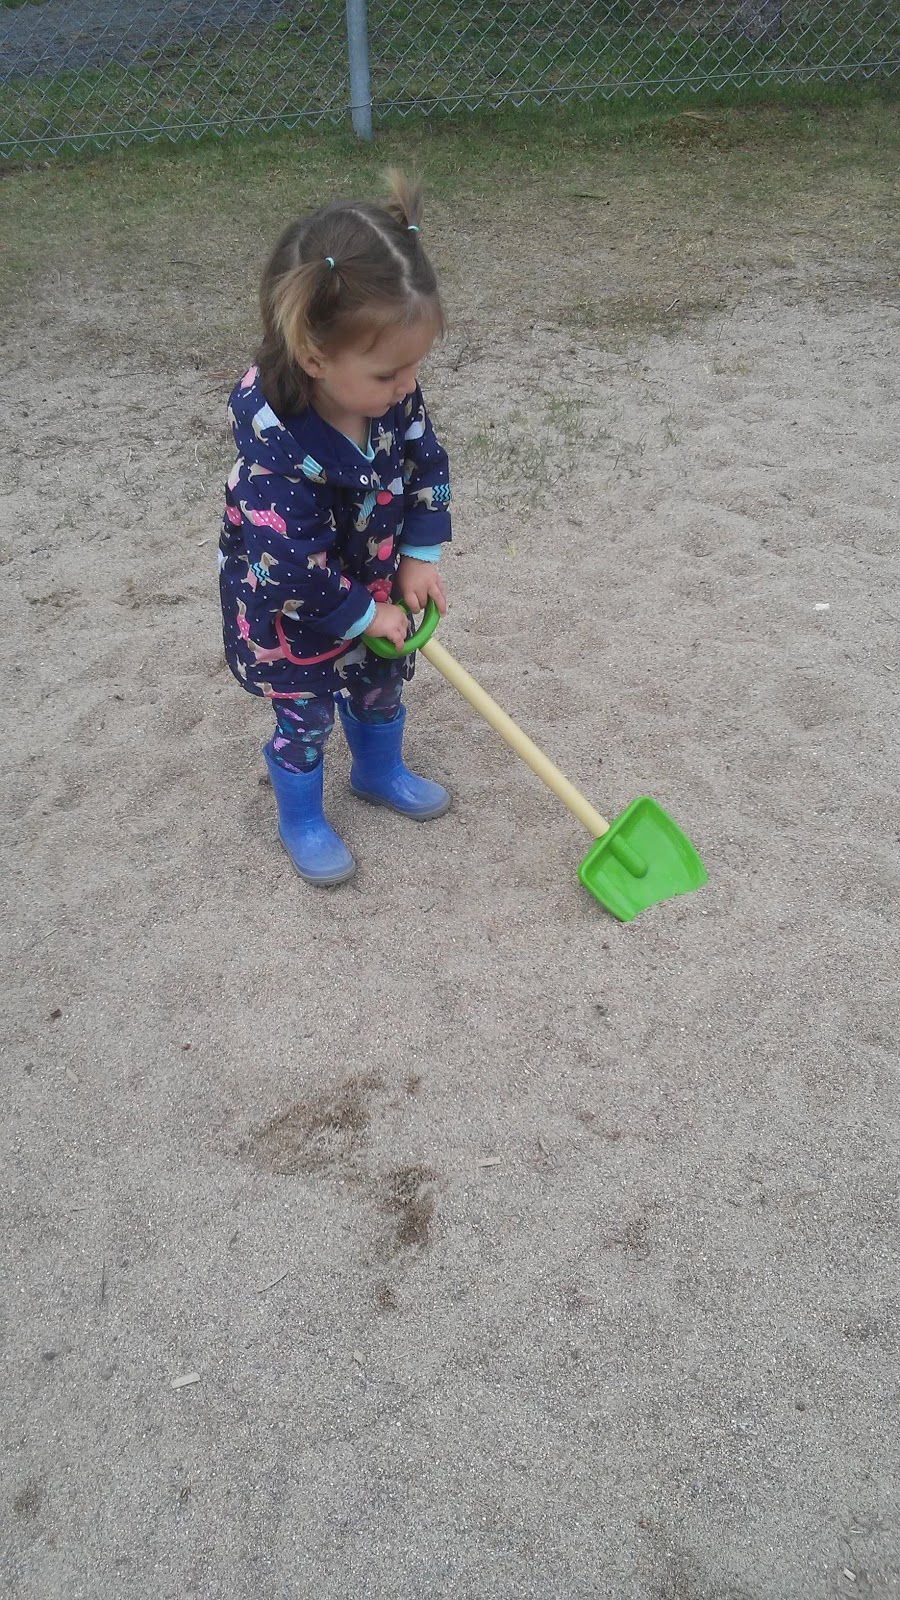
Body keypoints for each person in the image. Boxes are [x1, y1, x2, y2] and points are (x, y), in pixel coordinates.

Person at [218, 171, 452, 887]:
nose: (408, 385)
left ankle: (378, 773)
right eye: (390, 371)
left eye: (415, 364)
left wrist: (417, 553)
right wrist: (363, 611)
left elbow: (426, 464)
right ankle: (302, 818)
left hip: (375, 580)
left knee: (382, 678)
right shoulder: (279, 461)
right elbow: (290, 570)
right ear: (316, 358)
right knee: (306, 714)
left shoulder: (392, 399)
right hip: (296, 613)